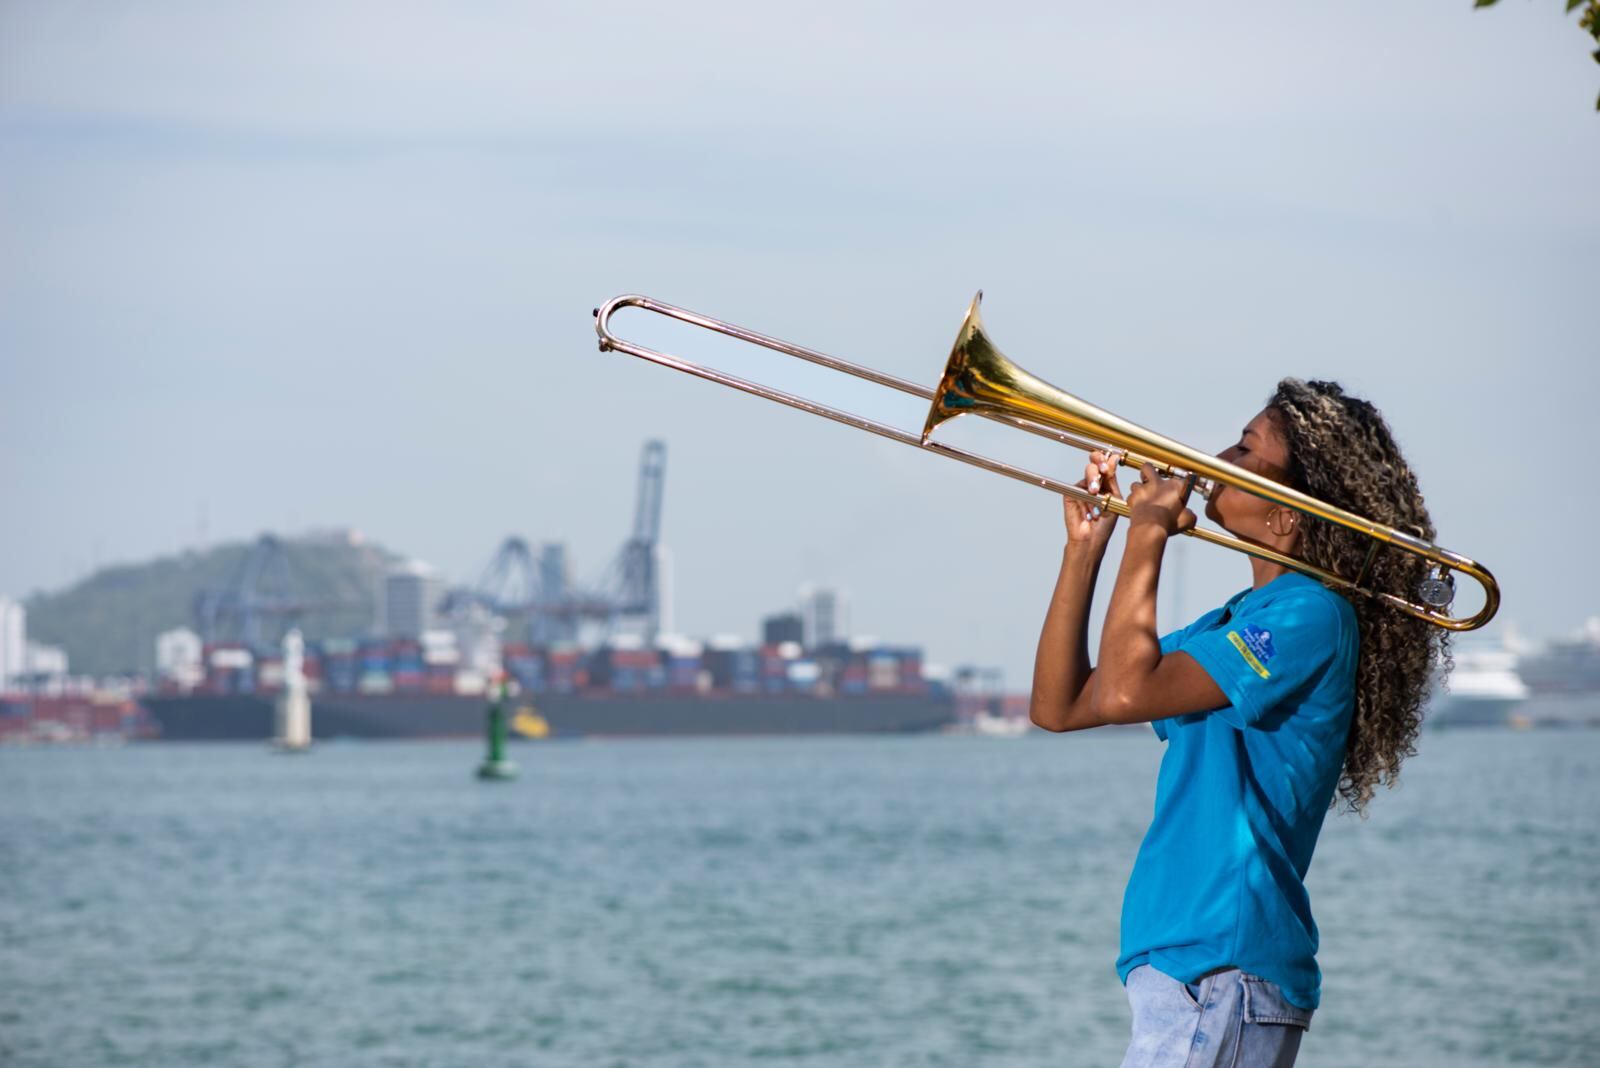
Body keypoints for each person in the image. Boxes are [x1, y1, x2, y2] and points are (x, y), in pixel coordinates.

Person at [1028, 379, 1448, 1068]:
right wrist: (1086, 549)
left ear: (1287, 513)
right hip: (1188, 968)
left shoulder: (1310, 615)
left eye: (1245, 449)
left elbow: (1127, 692)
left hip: (1222, 968)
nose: (1215, 459)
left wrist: (1148, 533)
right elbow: (1062, 705)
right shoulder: (1235, 620)